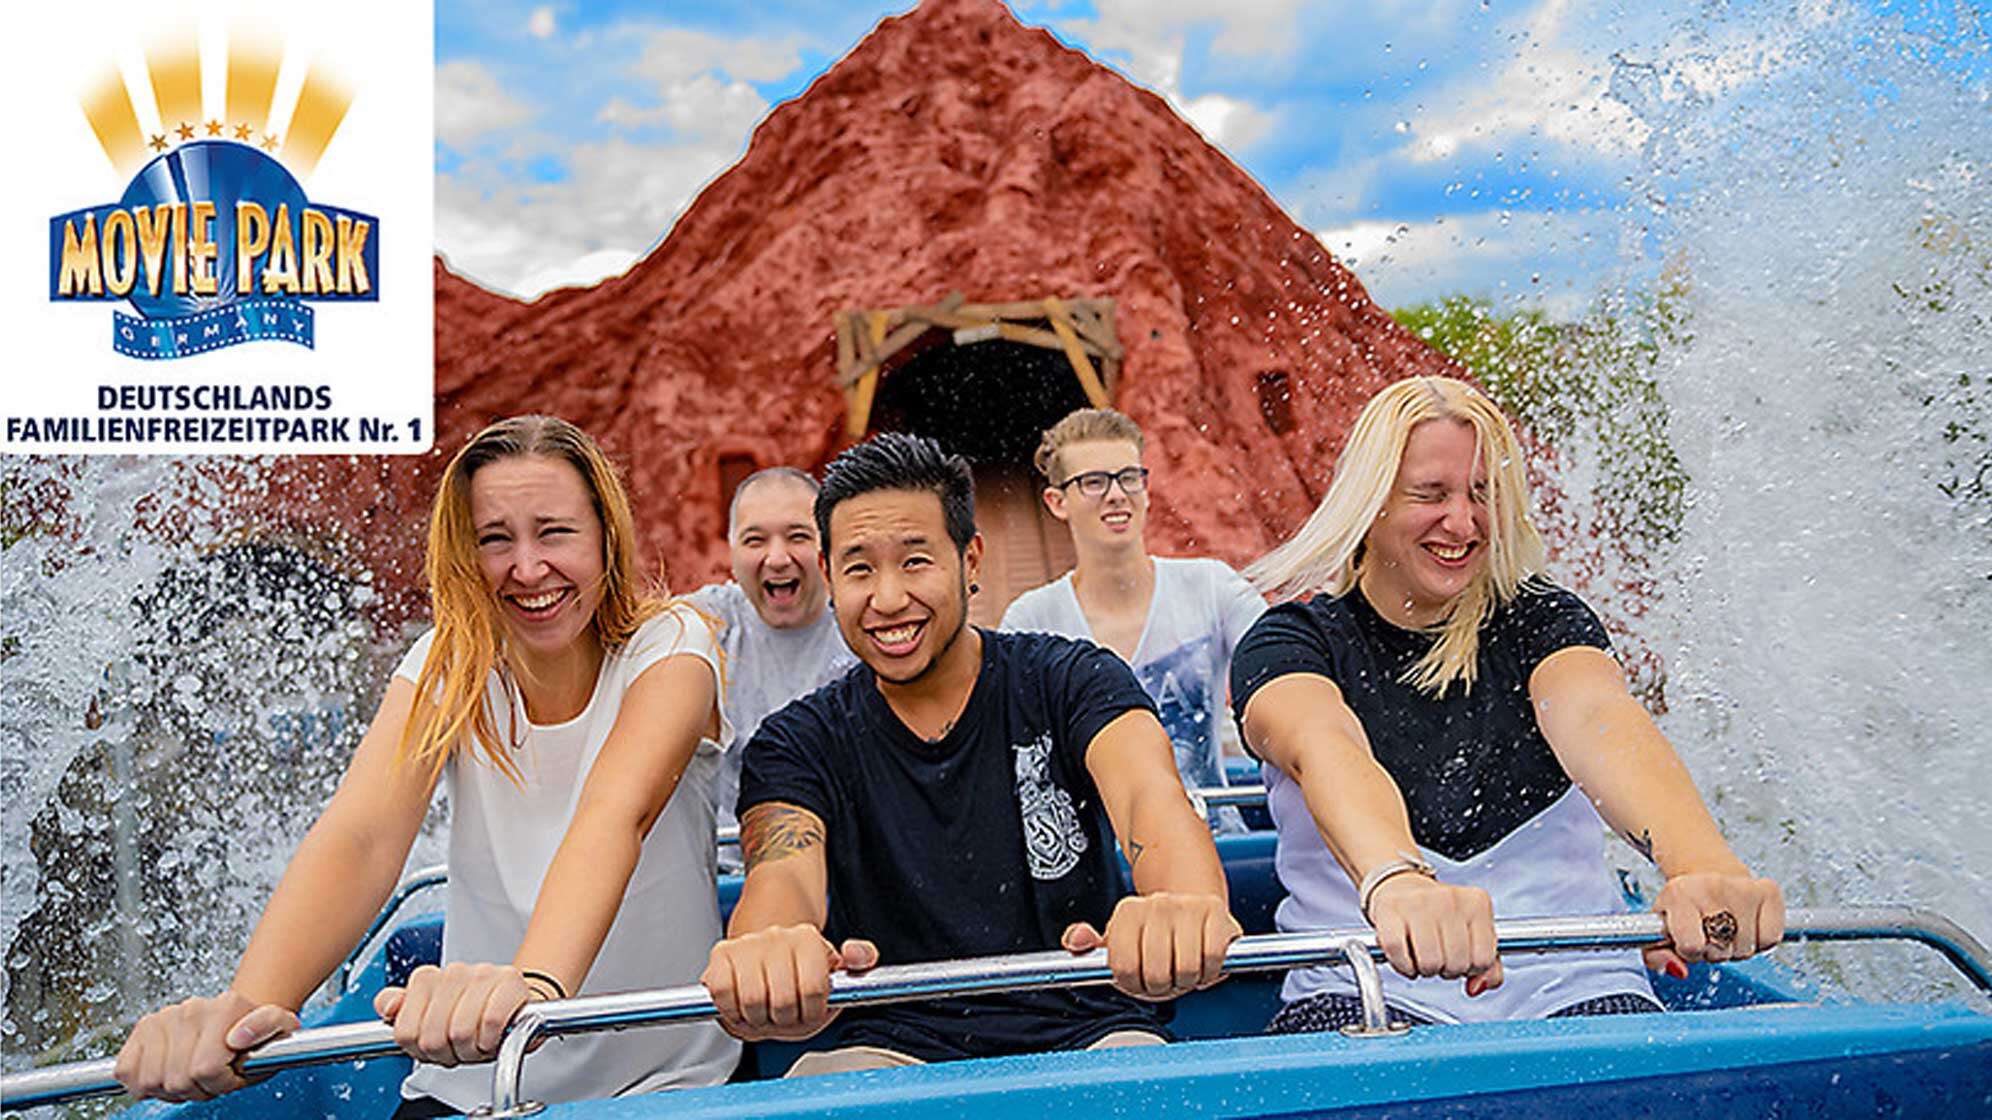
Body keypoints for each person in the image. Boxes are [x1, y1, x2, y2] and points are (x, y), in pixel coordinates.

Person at [114, 416, 738, 1115]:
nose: (527, 568)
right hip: (467, 1081)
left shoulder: (670, 644)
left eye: (555, 533)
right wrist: (245, 1013)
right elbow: (363, 835)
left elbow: (615, 814)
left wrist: (531, 991)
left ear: (606, 538)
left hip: (656, 1088)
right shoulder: (449, 662)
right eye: (494, 539)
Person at [1229, 376, 1785, 1032]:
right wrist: (1397, 881)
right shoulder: (1292, 642)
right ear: (1369, 504)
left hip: (1574, 980)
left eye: (1482, 493)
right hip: (1368, 983)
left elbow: (1598, 718)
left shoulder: (1543, 621)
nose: (1462, 522)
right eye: (1430, 494)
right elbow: (1326, 747)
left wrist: (1700, 862)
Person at [700, 432, 1241, 1074]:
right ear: (830, 575)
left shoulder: (1073, 682)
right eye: (860, 569)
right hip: (887, 1043)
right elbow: (782, 879)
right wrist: (769, 953)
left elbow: (1151, 798)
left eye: (916, 561)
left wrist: (1181, 905)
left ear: (971, 560)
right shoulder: (798, 742)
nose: (888, 599)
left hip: (1090, 1029)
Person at [1001, 409, 1265, 831]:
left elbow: (1279, 669)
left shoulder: (1212, 587)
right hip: (1099, 851)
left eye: (1128, 477)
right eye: (1094, 482)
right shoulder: (1030, 622)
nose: (1116, 495)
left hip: (1217, 838)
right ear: (1057, 502)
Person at [686, 467, 855, 836]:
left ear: (827, 546)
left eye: (798, 537)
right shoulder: (704, 626)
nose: (777, 558)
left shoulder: (862, 628)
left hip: (839, 855)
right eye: (755, 540)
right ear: (731, 552)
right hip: (726, 857)